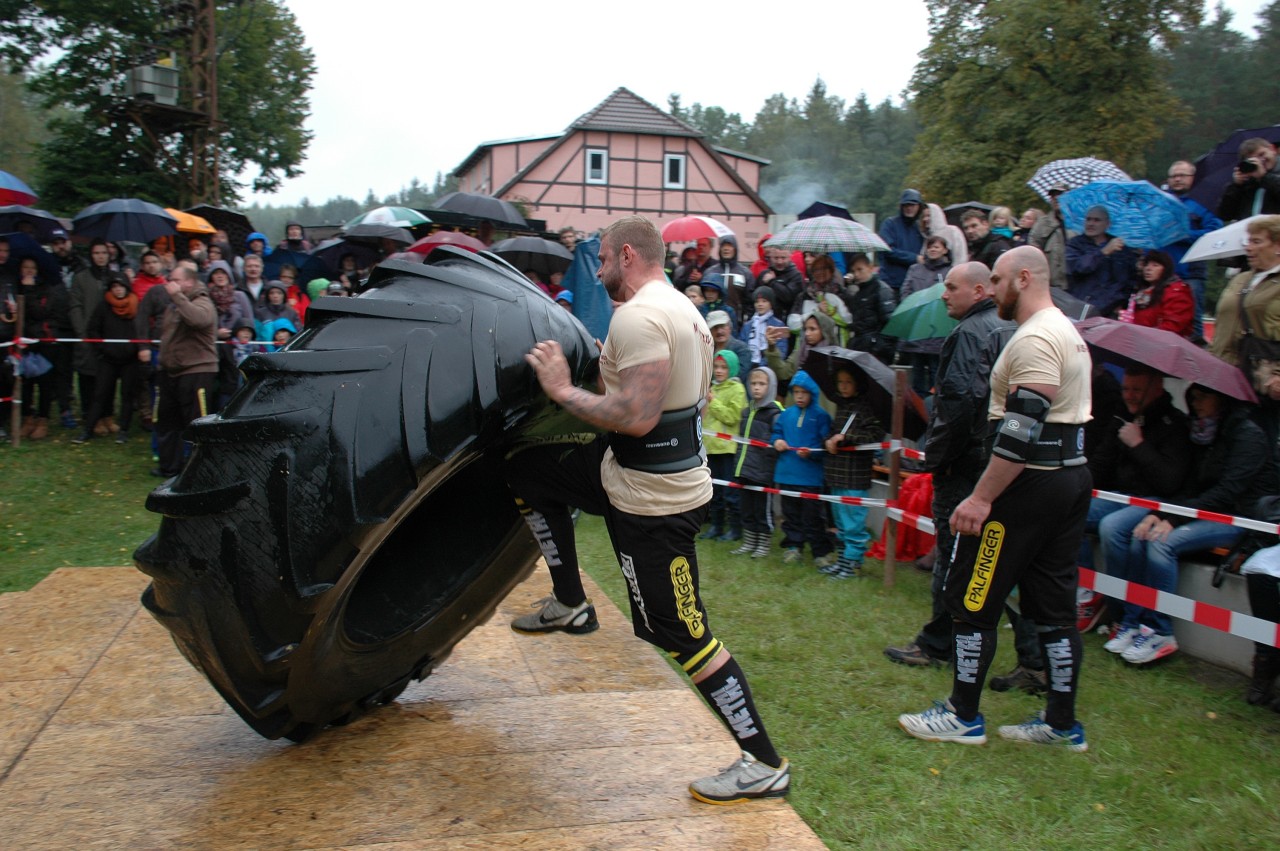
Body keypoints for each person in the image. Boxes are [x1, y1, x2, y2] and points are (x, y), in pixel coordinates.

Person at [505, 215, 790, 804]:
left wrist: (560, 390)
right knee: (527, 470)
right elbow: (686, 399)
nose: (599, 270)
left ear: (626, 254)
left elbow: (636, 416)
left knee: (683, 634)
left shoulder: (639, 316)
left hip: (655, 504)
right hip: (626, 472)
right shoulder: (681, 307)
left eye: (603, 261)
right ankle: (569, 601)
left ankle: (763, 762)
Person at [898, 246, 1093, 752]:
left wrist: (982, 497)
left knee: (972, 596)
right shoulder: (1066, 330)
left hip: (1028, 482)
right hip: (1068, 474)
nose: (995, 288)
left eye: (1001, 279)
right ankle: (1061, 723)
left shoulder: (1037, 337)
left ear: (1024, 279)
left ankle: (963, 715)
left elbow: (1021, 427)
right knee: (1052, 607)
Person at [884, 261, 1016, 668]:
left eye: (952, 287)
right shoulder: (1013, 328)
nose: (944, 295)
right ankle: (1032, 659)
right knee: (1005, 562)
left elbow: (958, 402)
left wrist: (935, 459)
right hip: (1001, 460)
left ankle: (936, 644)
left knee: (954, 555)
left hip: (965, 464)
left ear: (979, 291)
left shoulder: (969, 333)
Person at [1099, 384, 1275, 664]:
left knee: (1161, 543)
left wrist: (1173, 517)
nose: (1195, 403)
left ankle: (1160, 630)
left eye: (1203, 396)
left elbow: (1227, 493)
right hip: (1206, 510)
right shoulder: (1203, 431)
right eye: (1192, 397)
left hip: (1241, 519)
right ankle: (1133, 623)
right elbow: (1190, 486)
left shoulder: (1246, 435)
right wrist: (1160, 513)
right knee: (1141, 533)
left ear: (1221, 397)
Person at [1209, 215, 1280, 419]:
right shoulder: (1241, 279)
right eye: (1248, 241)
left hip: (1262, 382)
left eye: (1257, 241)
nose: (1248, 247)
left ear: (1278, 245)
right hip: (1223, 375)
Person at [153, 265, 217, 478]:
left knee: (197, 423)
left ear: (189, 282)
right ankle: (169, 466)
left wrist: (178, 297)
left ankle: (199, 469)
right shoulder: (173, 306)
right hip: (170, 371)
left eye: (175, 279)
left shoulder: (202, 302)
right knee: (167, 421)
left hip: (196, 371)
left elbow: (199, 320)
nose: (169, 283)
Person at [821, 368, 883, 579]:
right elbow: (833, 432)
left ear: (858, 384)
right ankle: (843, 560)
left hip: (855, 476)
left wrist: (847, 439)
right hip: (836, 473)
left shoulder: (867, 408)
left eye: (848, 382)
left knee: (853, 522)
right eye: (840, 382)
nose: (843, 386)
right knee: (840, 521)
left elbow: (874, 435)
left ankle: (853, 561)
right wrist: (829, 440)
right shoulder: (841, 406)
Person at [771, 369, 834, 567]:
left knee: (813, 516)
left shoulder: (821, 416)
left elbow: (826, 445)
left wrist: (812, 453)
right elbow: (776, 433)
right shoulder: (785, 414)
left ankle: (820, 552)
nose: (799, 396)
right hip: (787, 474)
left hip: (810, 478)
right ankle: (793, 547)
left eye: (804, 392)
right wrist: (778, 441)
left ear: (812, 394)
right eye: (796, 392)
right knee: (790, 515)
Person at [72, 277, 145, 445]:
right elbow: (93, 329)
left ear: (127, 288)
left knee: (127, 396)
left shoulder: (136, 306)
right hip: (108, 360)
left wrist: (137, 350)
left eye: (121, 286)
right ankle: (88, 429)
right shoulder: (103, 307)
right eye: (114, 286)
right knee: (100, 394)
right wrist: (103, 350)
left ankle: (124, 430)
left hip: (130, 360)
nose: (118, 290)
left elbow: (142, 329)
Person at [70, 239, 129, 432]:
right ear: (91, 255)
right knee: (88, 376)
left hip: (109, 335)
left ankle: (107, 415)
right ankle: (90, 416)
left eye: (103, 252)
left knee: (108, 378)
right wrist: (82, 332)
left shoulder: (114, 277)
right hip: (87, 335)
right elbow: (75, 306)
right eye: (96, 253)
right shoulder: (81, 278)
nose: (100, 256)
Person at [1162, 160, 1223, 340]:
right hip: (1161, 272)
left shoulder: (1204, 203)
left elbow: (1214, 234)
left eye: (1182, 175)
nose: (1178, 179)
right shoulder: (1161, 202)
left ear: (1193, 178)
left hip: (1190, 273)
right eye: (1174, 176)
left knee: (1193, 327)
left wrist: (1184, 234)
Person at [730, 366, 784, 560]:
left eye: (762, 384)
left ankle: (764, 543)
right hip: (744, 468)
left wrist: (768, 468)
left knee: (762, 510)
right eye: (753, 383)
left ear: (771, 386)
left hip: (763, 472)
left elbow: (776, 441)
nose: (757, 388)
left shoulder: (775, 413)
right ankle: (749, 541)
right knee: (747, 508)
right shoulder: (746, 412)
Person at [899, 235, 954, 396]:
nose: (933, 249)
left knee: (935, 370)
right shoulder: (915, 269)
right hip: (918, 327)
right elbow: (906, 292)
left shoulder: (949, 271)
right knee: (917, 372)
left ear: (945, 250)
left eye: (937, 246)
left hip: (939, 327)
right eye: (930, 246)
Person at [702, 350, 747, 542]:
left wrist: (713, 401)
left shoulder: (738, 389)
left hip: (727, 448)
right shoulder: (709, 387)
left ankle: (736, 529)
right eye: (716, 367)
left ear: (732, 369)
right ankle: (717, 527)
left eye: (724, 367)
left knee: (730, 491)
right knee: (714, 491)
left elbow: (732, 417)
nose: (719, 371)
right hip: (709, 448)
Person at [1065, 206, 1138, 315]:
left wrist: (1122, 302)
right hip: (1080, 305)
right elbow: (1079, 268)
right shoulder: (1075, 244)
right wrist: (1103, 252)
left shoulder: (1121, 247)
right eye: (1088, 219)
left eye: (1096, 220)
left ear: (1107, 224)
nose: (1090, 223)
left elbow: (1129, 279)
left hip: (1109, 310)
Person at [1123, 249, 1194, 338]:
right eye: (1146, 265)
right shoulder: (1143, 291)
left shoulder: (1177, 291)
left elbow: (1172, 325)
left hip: (1162, 343)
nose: (1148, 269)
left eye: (1155, 265)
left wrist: (1148, 338)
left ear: (1165, 269)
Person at [841, 253, 897, 364]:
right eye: (854, 271)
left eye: (860, 269)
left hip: (875, 351)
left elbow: (890, 322)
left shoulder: (881, 289)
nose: (856, 274)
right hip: (861, 346)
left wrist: (877, 347)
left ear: (870, 268)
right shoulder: (859, 291)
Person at [787, 255, 851, 344]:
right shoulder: (804, 295)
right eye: (816, 269)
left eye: (824, 268)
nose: (820, 272)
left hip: (836, 346)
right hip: (808, 349)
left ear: (831, 271)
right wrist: (816, 313)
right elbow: (793, 325)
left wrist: (830, 312)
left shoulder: (842, 294)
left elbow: (849, 321)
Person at [1217, 137, 1280, 222]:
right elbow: (1225, 215)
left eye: (1261, 154)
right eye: (1253, 160)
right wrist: (1236, 186)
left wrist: (1264, 176)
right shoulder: (1248, 184)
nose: (1260, 161)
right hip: (1250, 232)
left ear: (1272, 149)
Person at [879, 189, 926, 290]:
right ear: (901, 207)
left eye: (912, 205)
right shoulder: (890, 224)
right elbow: (887, 250)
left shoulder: (919, 228)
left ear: (919, 207)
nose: (909, 208)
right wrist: (915, 258)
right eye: (906, 205)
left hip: (913, 284)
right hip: (891, 283)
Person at [1027, 185, 1072, 289]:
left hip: (1075, 285)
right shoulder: (1042, 224)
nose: (1056, 198)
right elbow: (1033, 253)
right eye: (1053, 196)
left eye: (1061, 194)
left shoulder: (1079, 223)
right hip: (1050, 286)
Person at [740, 286, 787, 369]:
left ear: (771, 304)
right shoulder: (747, 325)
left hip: (770, 367)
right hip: (749, 366)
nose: (760, 304)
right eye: (757, 302)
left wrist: (763, 364)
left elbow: (782, 350)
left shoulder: (779, 325)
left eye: (764, 301)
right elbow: (742, 347)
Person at [704, 234, 753, 314]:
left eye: (729, 245)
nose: (726, 249)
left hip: (736, 321)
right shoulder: (710, 272)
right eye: (723, 246)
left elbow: (749, 302)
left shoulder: (745, 273)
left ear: (735, 249)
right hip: (713, 320)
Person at [751, 246, 806, 316]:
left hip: (786, 318)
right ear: (770, 257)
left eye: (783, 258)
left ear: (790, 258)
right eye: (776, 258)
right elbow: (754, 297)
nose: (779, 262)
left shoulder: (796, 275)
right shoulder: (764, 274)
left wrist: (772, 282)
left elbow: (789, 297)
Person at [706, 310, 751, 383]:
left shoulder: (742, 349)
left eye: (722, 326)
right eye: (715, 328)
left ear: (730, 327)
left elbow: (740, 376)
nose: (719, 331)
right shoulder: (706, 351)